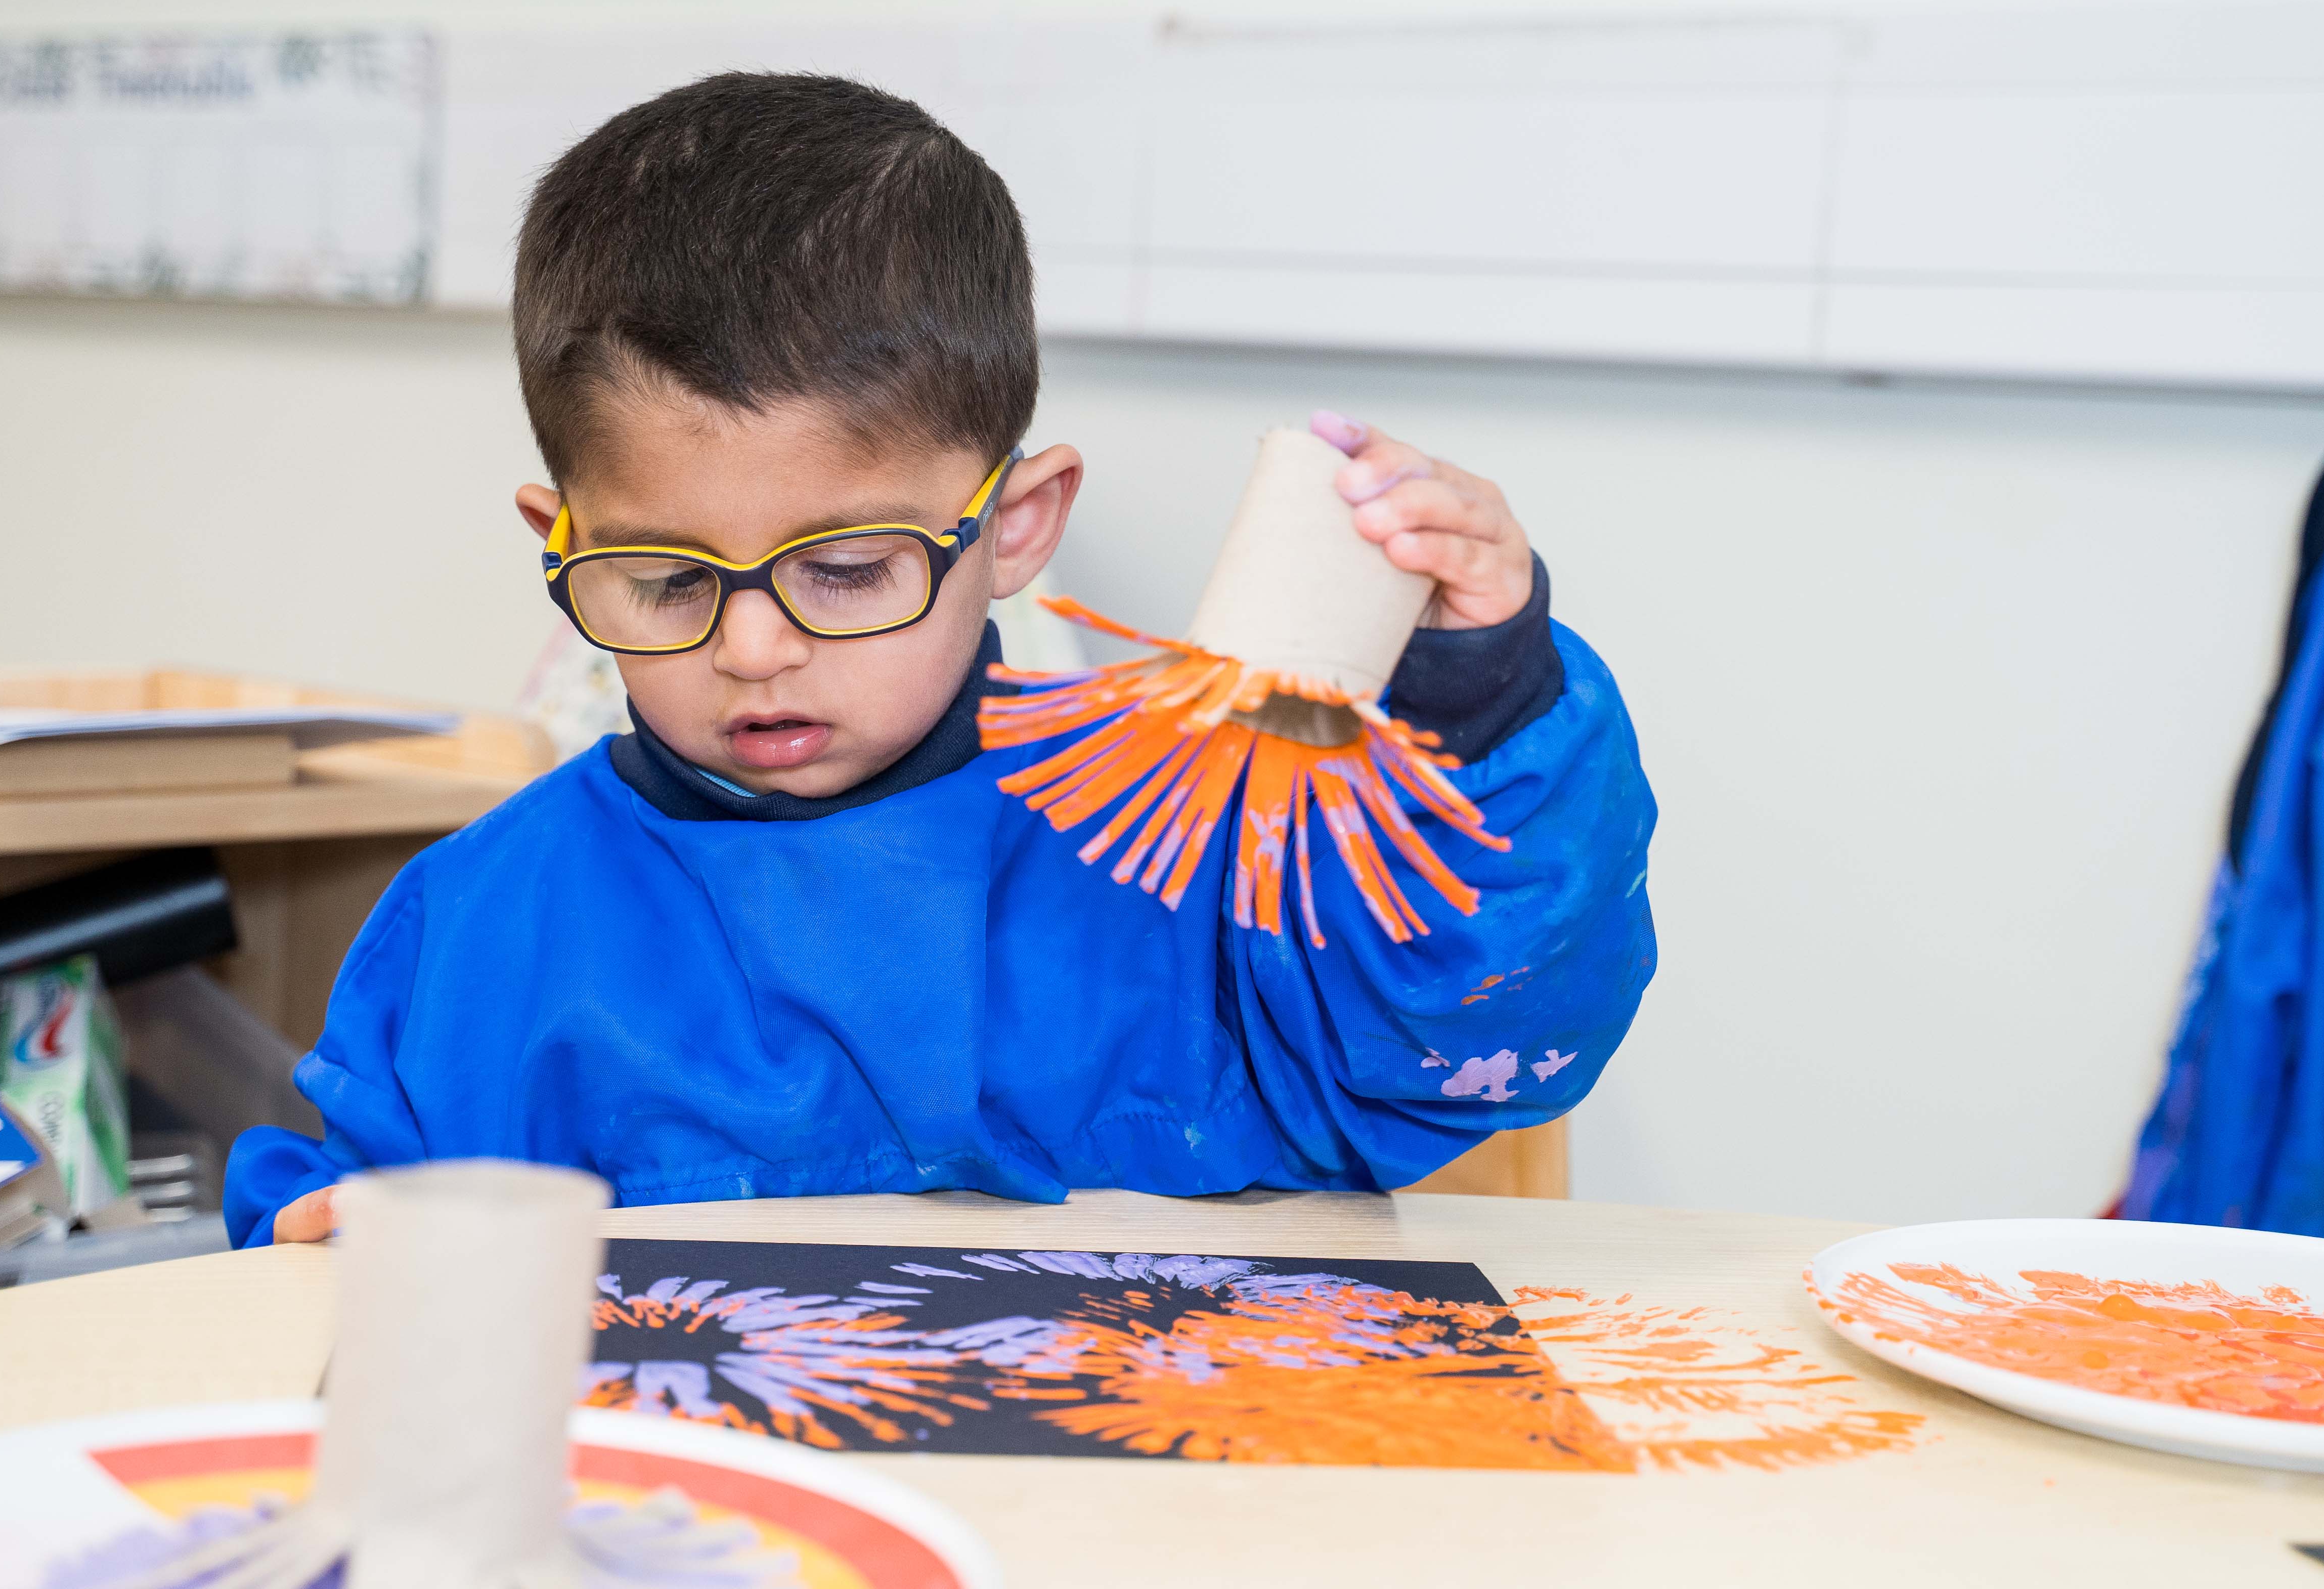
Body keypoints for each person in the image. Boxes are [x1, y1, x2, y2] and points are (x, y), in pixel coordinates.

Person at [223, 73, 1657, 1247]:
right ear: (560, 536)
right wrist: (322, 1239)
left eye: (846, 570)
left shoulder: (1207, 840)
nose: (755, 648)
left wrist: (1484, 695)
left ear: (1016, 528)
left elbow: (1470, 1035)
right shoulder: (481, 921)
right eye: (663, 581)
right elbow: (336, 1222)